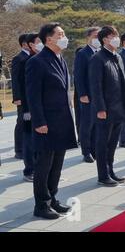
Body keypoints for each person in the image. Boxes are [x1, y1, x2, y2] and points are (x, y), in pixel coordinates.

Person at [26, 23, 76, 220]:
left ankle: (52, 198)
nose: (64, 37)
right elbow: (33, 95)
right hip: (46, 122)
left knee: (57, 163)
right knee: (44, 165)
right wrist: (39, 121)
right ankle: (41, 204)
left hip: (61, 121)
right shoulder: (37, 62)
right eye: (60, 34)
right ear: (48, 39)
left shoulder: (60, 58)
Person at [89, 26, 125, 187]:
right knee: (102, 143)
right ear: (104, 39)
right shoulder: (98, 59)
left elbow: (123, 82)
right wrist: (100, 108)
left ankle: (110, 170)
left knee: (112, 143)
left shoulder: (117, 57)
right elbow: (95, 86)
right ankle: (102, 174)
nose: (116, 39)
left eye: (117, 35)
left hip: (119, 108)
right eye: (113, 36)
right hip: (105, 109)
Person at [73, 27, 101, 163]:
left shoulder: (101, 52)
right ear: (88, 38)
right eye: (95, 36)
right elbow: (78, 76)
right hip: (88, 95)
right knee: (87, 124)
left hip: (100, 95)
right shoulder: (83, 53)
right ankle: (86, 151)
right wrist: (82, 94)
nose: (97, 39)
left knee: (98, 124)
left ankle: (95, 149)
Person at [20, 33, 44, 182]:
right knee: (29, 140)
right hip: (30, 108)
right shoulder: (26, 61)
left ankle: (39, 169)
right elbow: (24, 88)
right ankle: (29, 170)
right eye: (38, 41)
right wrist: (26, 109)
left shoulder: (42, 59)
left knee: (40, 141)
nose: (41, 44)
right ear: (30, 45)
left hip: (41, 108)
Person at [11, 33, 30, 160]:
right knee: (21, 121)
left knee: (28, 122)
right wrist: (17, 97)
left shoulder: (32, 56)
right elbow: (15, 79)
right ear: (24, 44)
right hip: (22, 97)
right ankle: (19, 150)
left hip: (30, 95)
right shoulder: (19, 58)